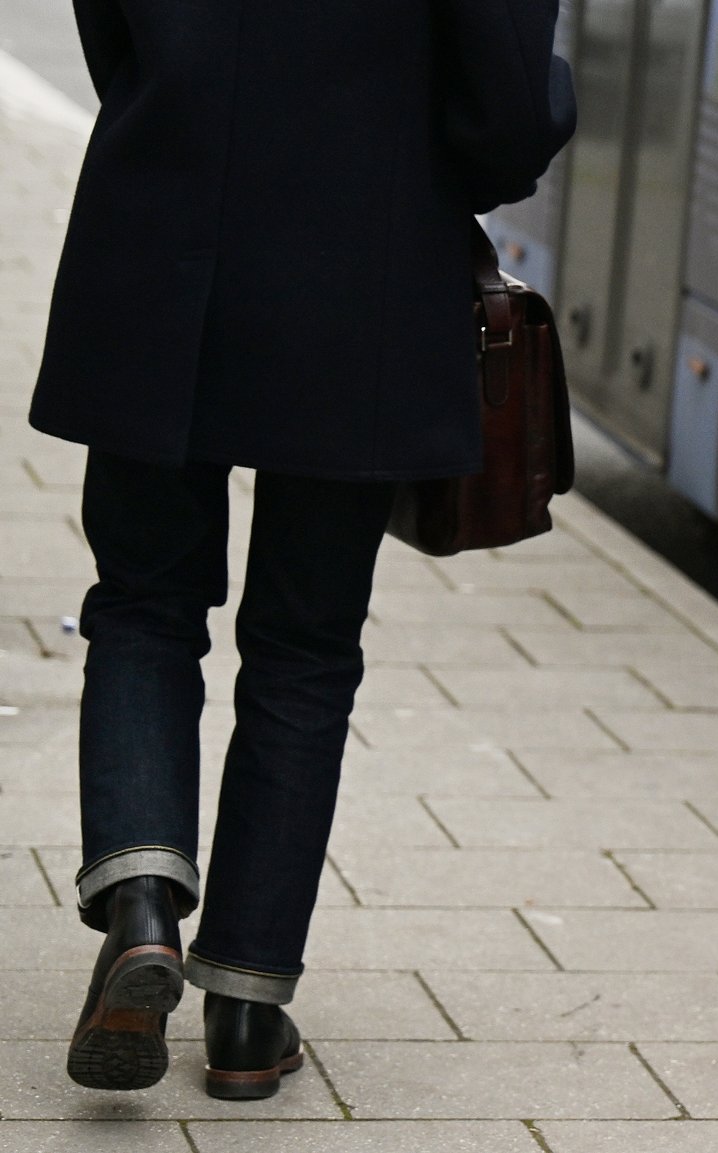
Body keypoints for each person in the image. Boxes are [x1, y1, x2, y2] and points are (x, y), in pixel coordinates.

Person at [30, 2, 575, 1098]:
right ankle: (246, 1007)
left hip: (160, 223)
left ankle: (142, 907)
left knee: (143, 600)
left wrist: (177, 94)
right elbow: (507, 103)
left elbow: (109, 24)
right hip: (362, 260)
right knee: (305, 646)